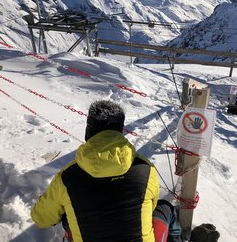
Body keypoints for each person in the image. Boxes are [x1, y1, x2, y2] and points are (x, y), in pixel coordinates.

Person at [31, 100, 180, 242]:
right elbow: (151, 207)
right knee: (165, 208)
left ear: (88, 130)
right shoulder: (145, 169)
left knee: (69, 214)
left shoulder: (67, 177)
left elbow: (42, 218)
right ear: (121, 129)